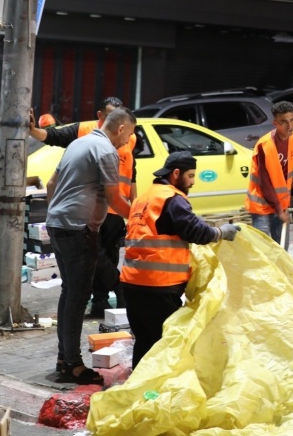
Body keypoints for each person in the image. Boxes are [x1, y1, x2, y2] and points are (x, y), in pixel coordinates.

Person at [121, 151, 241, 368]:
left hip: (132, 283)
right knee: (165, 345)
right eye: (191, 176)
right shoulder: (172, 199)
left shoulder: (144, 198)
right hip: (160, 285)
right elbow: (196, 232)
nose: (193, 182)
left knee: (145, 342)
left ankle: (140, 389)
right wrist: (222, 232)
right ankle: (157, 392)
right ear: (176, 173)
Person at [45, 107, 136, 385]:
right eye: (129, 135)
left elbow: (51, 184)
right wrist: (143, 218)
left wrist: (60, 212)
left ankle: (65, 358)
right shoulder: (106, 151)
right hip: (77, 229)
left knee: (69, 292)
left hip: (58, 224)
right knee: (78, 296)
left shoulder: (78, 143)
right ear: (120, 128)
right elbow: (115, 199)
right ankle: (71, 364)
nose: (126, 143)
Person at [29, 97, 138, 317]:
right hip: (90, 214)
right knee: (92, 266)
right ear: (100, 116)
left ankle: (101, 303)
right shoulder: (86, 135)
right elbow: (53, 136)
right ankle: (119, 288)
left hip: (112, 212)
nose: (125, 139)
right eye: (109, 115)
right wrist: (32, 131)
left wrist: (133, 203)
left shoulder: (128, 139)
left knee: (106, 257)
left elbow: (131, 171)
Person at [246, 101, 293, 248]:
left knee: (282, 252)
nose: (289, 126)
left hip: (280, 205)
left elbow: (285, 174)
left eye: (292, 120)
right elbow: (264, 181)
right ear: (275, 123)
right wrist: (278, 209)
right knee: (265, 252)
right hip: (261, 205)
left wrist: (284, 205)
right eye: (284, 122)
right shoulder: (265, 145)